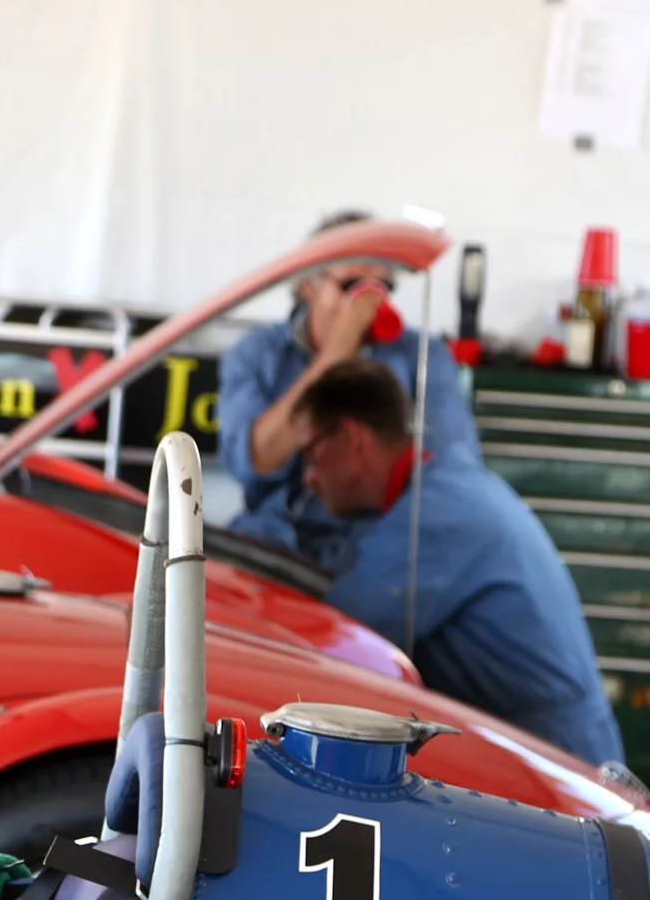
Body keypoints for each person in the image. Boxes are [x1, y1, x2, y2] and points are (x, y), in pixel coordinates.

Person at [288, 359, 623, 766]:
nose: (308, 478)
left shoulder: (434, 517)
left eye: (310, 455)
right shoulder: (443, 484)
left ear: (352, 438)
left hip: (556, 760)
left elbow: (335, 642)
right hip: (538, 747)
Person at [216, 209, 483, 543]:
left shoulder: (424, 356)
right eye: (352, 286)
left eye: (382, 288)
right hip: (274, 535)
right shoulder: (258, 353)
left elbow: (453, 469)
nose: (369, 303)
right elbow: (252, 462)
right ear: (308, 285)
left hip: (377, 538)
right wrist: (334, 357)